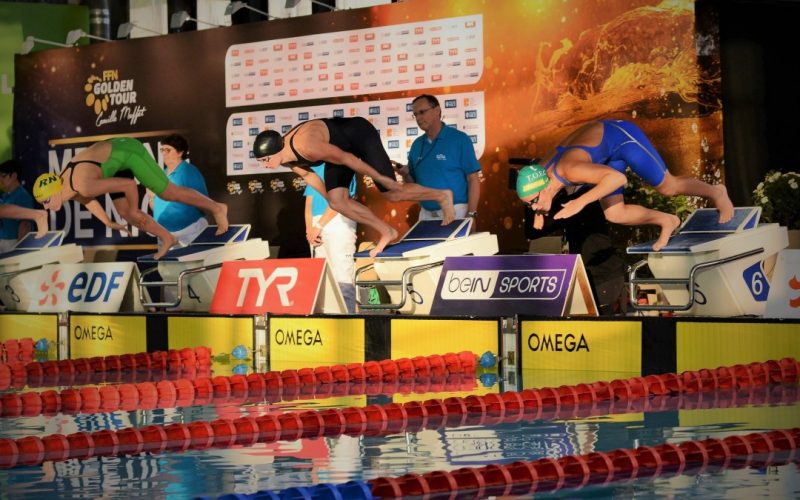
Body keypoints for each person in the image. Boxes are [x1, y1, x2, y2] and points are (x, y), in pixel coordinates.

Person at [251, 116, 456, 257]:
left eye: (266, 159)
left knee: (392, 192)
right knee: (338, 202)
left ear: (278, 149)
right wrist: (330, 200)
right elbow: (308, 175)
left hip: (359, 135)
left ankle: (442, 196)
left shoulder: (306, 146)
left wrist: (380, 178)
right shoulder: (285, 158)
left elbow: (347, 158)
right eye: (261, 161)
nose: (265, 165)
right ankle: (387, 231)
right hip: (338, 148)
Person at [517, 119, 734, 251]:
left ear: (544, 188)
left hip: (621, 139)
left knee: (668, 187)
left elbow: (618, 179)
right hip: (604, 155)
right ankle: (667, 220)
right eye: (529, 204)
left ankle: (716, 192)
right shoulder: (540, 173)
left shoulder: (570, 170)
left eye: (534, 201)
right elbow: (536, 193)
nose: (533, 206)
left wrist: (579, 202)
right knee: (615, 213)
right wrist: (539, 211)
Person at [33, 137, 228, 259]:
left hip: (129, 152)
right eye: (43, 203)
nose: (46, 207)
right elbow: (87, 200)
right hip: (112, 163)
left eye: (46, 201)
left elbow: (128, 185)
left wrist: (135, 209)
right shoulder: (65, 187)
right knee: (124, 213)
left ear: (55, 191)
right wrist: (108, 222)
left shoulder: (82, 184)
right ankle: (167, 237)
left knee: (168, 193)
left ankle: (218, 208)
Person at [392, 94, 481, 221]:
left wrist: (471, 215)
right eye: (415, 114)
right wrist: (405, 174)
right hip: (426, 215)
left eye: (422, 112)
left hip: (457, 212)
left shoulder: (459, 139)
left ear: (437, 110)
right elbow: (414, 186)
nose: (418, 118)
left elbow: (473, 179)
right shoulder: (416, 145)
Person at [304, 163, 357, 313]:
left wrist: (318, 226)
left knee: (342, 274)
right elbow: (309, 203)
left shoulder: (343, 166)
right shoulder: (314, 169)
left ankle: (349, 318)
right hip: (316, 226)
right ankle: (327, 317)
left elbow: (340, 201)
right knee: (322, 276)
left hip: (339, 221)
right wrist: (309, 229)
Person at [147, 134, 209, 247]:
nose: (164, 153)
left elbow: (205, 204)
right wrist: (151, 198)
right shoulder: (161, 175)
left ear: (180, 152)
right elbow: (158, 209)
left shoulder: (189, 172)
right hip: (165, 236)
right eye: (162, 150)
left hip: (189, 235)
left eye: (168, 150)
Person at [0, 159, 48, 252]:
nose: (0, 180)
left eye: (3, 176)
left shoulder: (22, 196)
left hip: (13, 242)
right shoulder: (5, 196)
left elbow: (25, 224)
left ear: (14, 176)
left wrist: (19, 249)